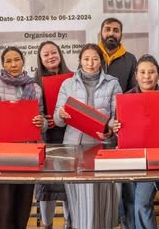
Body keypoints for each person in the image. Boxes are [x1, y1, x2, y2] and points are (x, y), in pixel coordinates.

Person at [54, 43, 122, 229]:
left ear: (101, 61)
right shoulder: (68, 83)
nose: (90, 63)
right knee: (78, 200)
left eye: (94, 59)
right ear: (79, 61)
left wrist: (109, 131)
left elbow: (118, 118)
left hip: (101, 147)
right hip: (74, 148)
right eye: (86, 59)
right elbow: (57, 119)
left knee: (102, 197)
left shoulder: (112, 83)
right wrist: (60, 114)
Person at [0, 46, 45, 229]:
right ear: (2, 64)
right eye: (8, 61)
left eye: (17, 59)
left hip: (29, 151)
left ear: (23, 61)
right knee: (5, 201)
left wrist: (41, 122)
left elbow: (42, 119)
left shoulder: (35, 88)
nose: (13, 64)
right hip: (3, 153)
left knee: (25, 201)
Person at [112, 54, 159, 229]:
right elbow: (118, 130)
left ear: (158, 74)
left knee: (142, 203)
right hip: (129, 157)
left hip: (154, 159)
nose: (146, 76)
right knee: (127, 204)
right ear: (136, 75)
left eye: (151, 72)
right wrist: (116, 128)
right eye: (142, 72)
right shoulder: (125, 98)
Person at [33, 41, 72, 228]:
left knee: (68, 186)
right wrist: (43, 120)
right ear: (40, 60)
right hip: (47, 140)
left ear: (60, 54)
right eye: (46, 54)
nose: (51, 56)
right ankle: (47, 224)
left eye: (53, 52)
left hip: (70, 137)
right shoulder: (34, 84)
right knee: (47, 186)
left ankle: (68, 223)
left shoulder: (74, 78)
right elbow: (32, 114)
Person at [98, 17, 137, 92]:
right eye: (107, 29)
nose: (111, 33)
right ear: (100, 34)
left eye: (116, 30)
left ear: (121, 36)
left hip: (120, 103)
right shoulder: (89, 56)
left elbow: (134, 90)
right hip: (91, 104)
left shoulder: (130, 59)